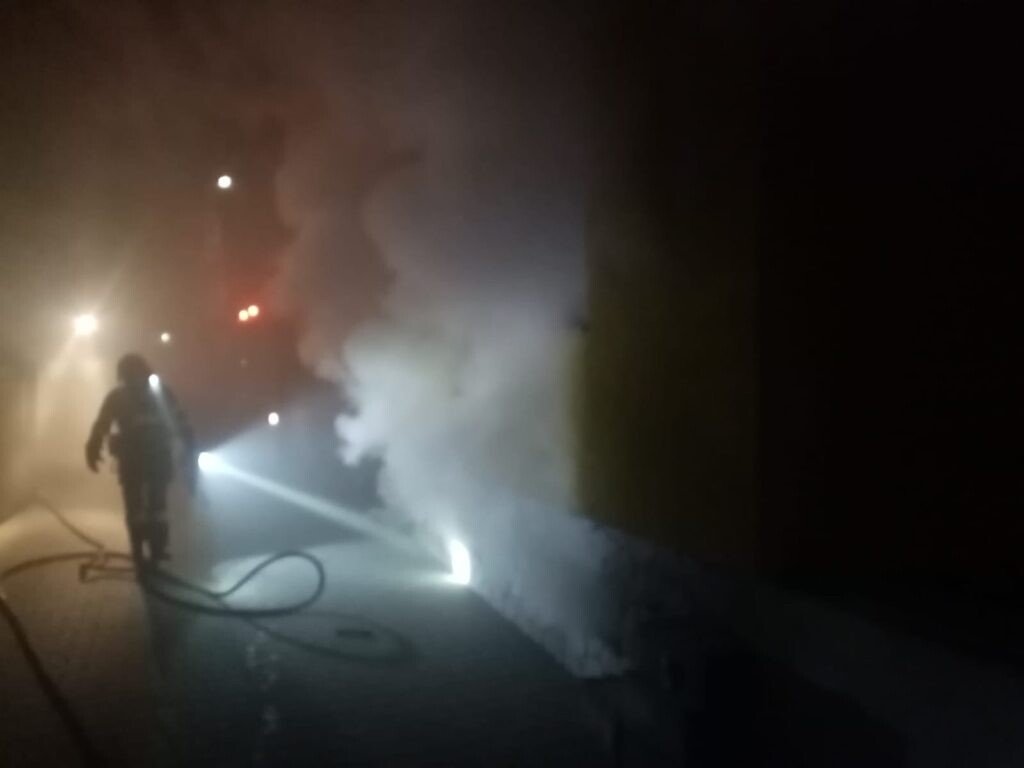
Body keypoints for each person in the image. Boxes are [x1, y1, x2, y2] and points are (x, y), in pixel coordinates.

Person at [85, 353, 194, 566]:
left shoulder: (119, 396)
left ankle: (142, 550)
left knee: (140, 506)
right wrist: (189, 446)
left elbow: (101, 425)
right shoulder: (160, 393)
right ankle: (155, 549)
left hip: (135, 459)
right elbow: (181, 421)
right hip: (153, 458)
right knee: (155, 506)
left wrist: (93, 449)